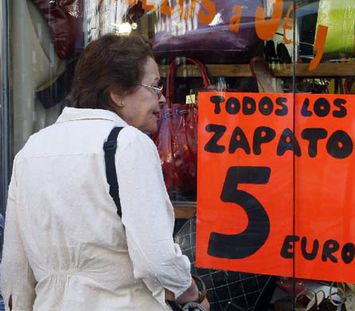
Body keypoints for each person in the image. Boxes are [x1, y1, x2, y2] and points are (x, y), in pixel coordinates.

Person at [0, 33, 209, 311]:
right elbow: (156, 259)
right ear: (117, 94)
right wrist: (192, 293)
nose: (162, 100)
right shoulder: (129, 144)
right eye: (154, 87)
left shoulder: (30, 151)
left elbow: (16, 270)